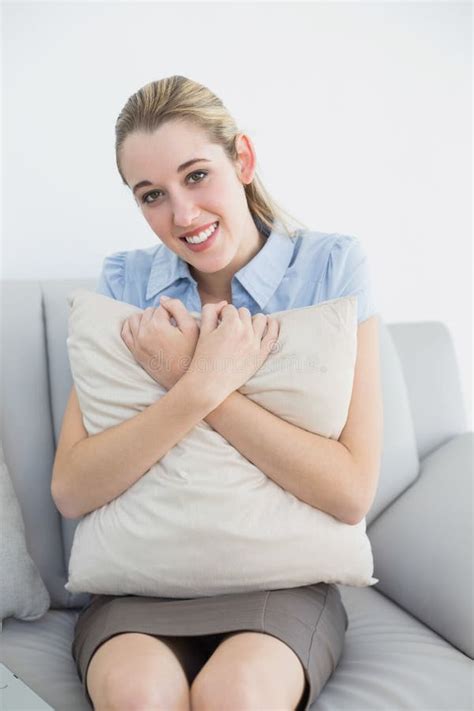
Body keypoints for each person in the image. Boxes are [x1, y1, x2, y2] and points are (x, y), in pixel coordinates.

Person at [52, 75, 383, 711]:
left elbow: (348, 492)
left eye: (197, 175)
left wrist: (195, 378)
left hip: (280, 584)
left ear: (244, 161)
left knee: (237, 696)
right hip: (139, 586)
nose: (182, 215)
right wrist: (196, 385)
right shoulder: (124, 283)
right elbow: (73, 488)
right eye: (152, 194)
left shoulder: (332, 269)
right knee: (138, 697)